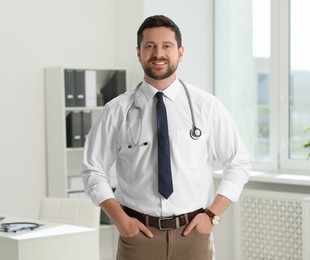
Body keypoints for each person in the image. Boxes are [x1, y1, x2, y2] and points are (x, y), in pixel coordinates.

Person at [82, 15, 250, 260]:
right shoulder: (117, 111)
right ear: (138, 53)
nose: (158, 54)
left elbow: (238, 163)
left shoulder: (206, 106)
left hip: (193, 236)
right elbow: (92, 170)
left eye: (166, 46)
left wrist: (212, 216)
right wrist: (121, 222)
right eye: (150, 46)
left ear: (180, 52)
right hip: (138, 238)